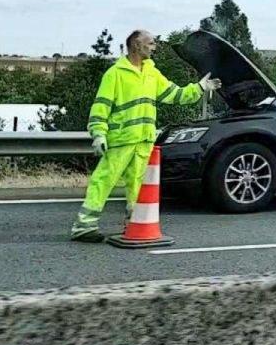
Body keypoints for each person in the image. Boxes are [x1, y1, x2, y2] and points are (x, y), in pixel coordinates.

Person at [70, 30, 221, 242]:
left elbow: (173, 94)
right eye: (150, 43)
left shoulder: (152, 73)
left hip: (143, 141)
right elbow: (101, 106)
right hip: (121, 139)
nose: (154, 47)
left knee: (137, 187)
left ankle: (134, 225)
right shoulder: (116, 74)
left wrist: (199, 88)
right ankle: (84, 226)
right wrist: (98, 134)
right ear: (136, 45)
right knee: (103, 180)